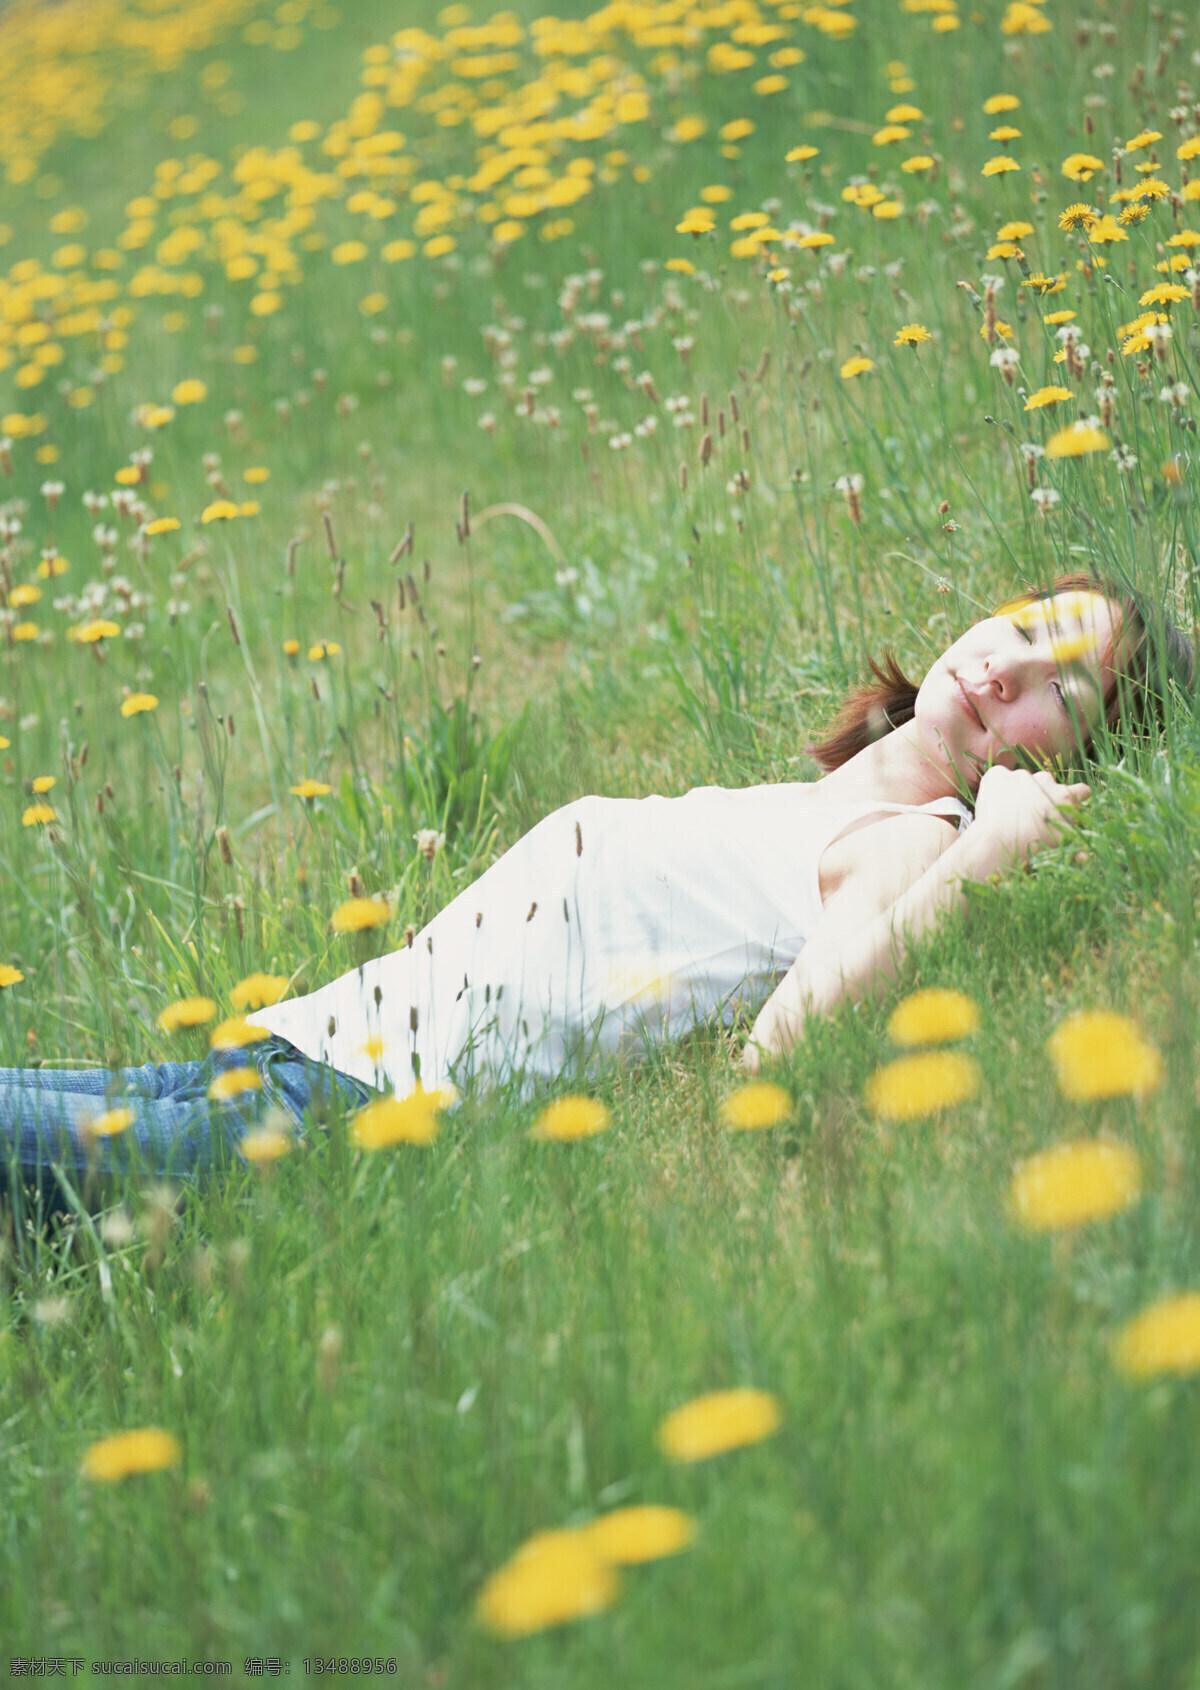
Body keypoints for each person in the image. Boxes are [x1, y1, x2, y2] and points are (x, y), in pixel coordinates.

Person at [0, 571, 1191, 1196]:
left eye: (1063, 693)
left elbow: (781, 1048)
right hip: (289, 1053)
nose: (1011, 666)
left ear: (1063, 761)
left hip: (320, 1125)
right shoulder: (812, 806)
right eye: (1033, 623)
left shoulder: (914, 840)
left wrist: (988, 851)